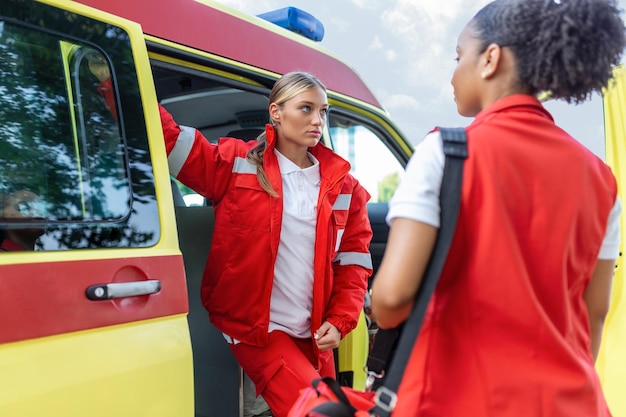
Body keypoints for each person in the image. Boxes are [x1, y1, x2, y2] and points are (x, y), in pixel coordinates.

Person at [370, 0, 625, 416]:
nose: (453, 73)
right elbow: (594, 314)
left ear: (491, 58)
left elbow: (393, 299)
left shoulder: (446, 152)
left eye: (459, 56)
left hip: (455, 400)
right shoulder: (601, 179)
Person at [161, 71, 372, 417]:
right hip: (258, 331)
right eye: (306, 108)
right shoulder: (235, 163)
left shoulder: (346, 188)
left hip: (315, 333)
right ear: (276, 112)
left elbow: (353, 264)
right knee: (324, 413)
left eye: (323, 111)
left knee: (332, 409)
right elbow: (172, 142)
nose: (317, 120)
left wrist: (341, 319)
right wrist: (118, 80)